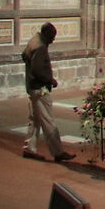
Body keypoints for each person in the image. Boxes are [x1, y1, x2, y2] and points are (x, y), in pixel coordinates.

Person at [21, 22, 72, 163]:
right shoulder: (40, 47)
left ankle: (29, 149)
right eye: (52, 36)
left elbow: (24, 56)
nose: (53, 40)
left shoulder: (33, 41)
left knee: (35, 120)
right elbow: (37, 70)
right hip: (40, 89)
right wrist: (50, 80)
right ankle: (58, 152)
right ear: (46, 34)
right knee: (48, 120)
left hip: (32, 87)